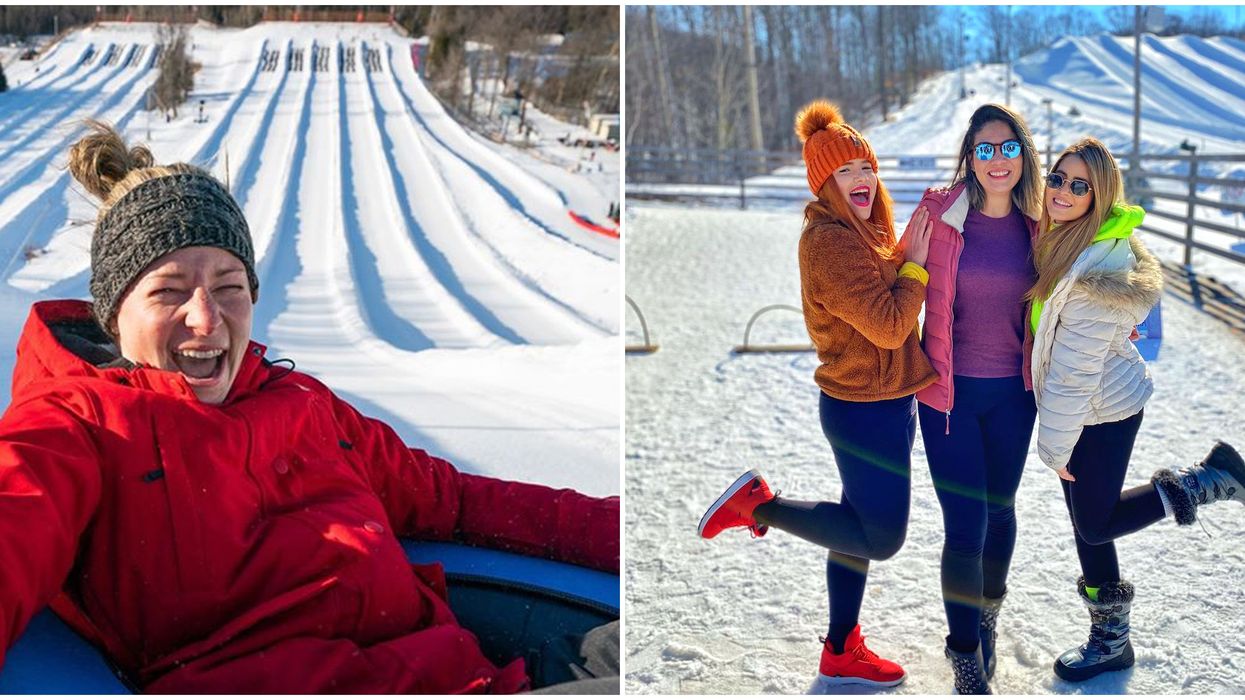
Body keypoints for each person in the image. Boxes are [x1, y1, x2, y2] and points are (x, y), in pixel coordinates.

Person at [0, 121, 619, 693]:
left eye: (228, 288)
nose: (206, 318)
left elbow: (451, 500)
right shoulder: (77, 424)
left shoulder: (300, 404)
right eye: (168, 292)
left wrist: (627, 535)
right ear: (114, 315)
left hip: (471, 676)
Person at [698, 100, 935, 688]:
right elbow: (887, 325)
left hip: (887, 402)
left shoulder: (868, 235)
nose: (861, 178)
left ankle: (840, 647)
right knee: (881, 538)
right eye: (845, 170)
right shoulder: (828, 242)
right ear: (822, 183)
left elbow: (885, 303)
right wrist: (917, 270)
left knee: (854, 525)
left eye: (866, 166)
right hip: (862, 410)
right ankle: (757, 507)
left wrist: (905, 253)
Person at [1028, 137, 1244, 682]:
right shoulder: (1065, 240)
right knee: (1087, 526)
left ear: (1100, 197)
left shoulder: (1095, 269)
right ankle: (1111, 641)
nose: (1063, 191)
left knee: (1096, 524)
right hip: (1083, 402)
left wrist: (1053, 446)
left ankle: (1208, 479)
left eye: (1081, 186)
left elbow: (1076, 370)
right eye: (1058, 178)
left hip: (1102, 409)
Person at [911, 103, 1043, 694]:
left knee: (1001, 512)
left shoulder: (1043, 224)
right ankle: (965, 655)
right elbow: (896, 275)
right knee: (966, 526)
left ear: (1023, 155)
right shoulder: (938, 212)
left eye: (1008, 147)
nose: (997, 159)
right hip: (948, 396)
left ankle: (987, 616)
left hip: (1015, 396)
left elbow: (1089, 277)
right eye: (985, 149)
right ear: (970, 155)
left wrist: (1121, 314)